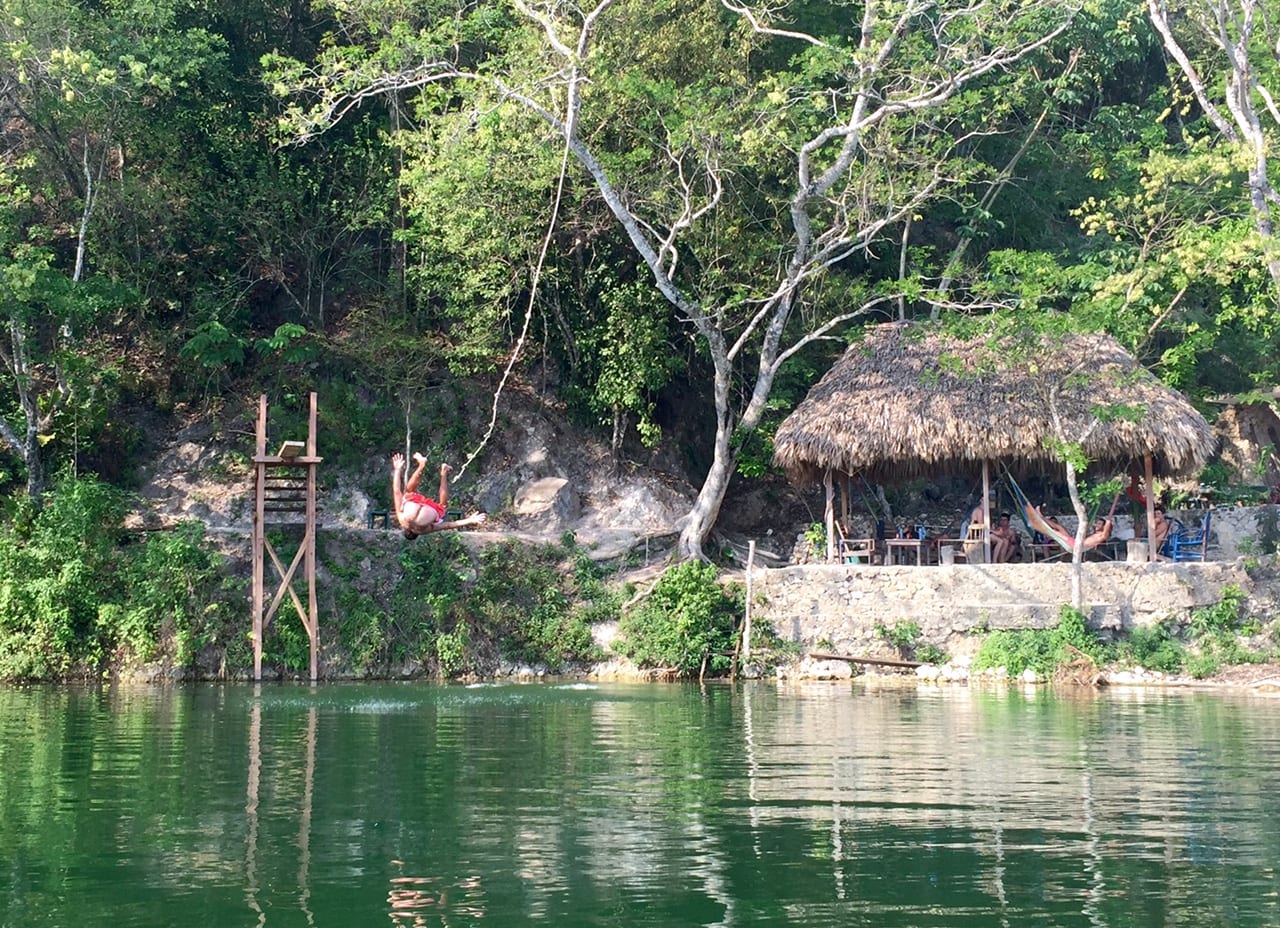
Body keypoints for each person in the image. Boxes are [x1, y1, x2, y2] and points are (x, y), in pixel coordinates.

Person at [391, 452, 487, 539]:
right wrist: (397, 469)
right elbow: (396, 491)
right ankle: (421, 465)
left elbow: (448, 525)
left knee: (442, 506)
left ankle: (444, 472)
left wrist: (470, 520)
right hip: (412, 506)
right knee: (408, 491)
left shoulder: (423, 530)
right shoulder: (402, 520)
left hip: (427, 512)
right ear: (405, 530)